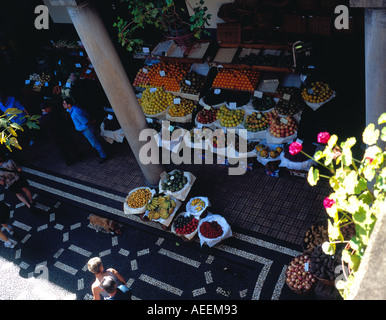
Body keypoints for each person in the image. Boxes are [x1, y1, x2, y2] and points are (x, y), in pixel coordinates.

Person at [62, 97, 108, 163]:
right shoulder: (73, 109)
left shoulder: (76, 112)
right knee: (95, 141)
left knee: (95, 143)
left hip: (87, 129)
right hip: (86, 129)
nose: (63, 105)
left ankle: (104, 156)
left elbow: (86, 122)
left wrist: (92, 122)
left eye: (64, 103)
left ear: (69, 105)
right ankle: (101, 152)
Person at [39, 101, 82, 166]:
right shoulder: (53, 115)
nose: (51, 108)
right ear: (46, 109)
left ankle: (68, 161)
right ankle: (78, 157)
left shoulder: (41, 119)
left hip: (53, 137)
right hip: (62, 133)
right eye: (50, 107)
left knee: (61, 149)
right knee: (71, 145)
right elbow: (61, 122)